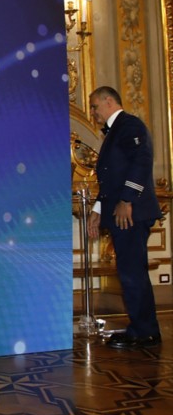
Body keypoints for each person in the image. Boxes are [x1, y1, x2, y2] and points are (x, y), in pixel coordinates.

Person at [86, 86, 162, 349]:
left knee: (132, 273)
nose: (92, 112)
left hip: (131, 213)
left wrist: (127, 200)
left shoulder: (129, 125)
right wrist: (97, 209)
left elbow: (142, 161)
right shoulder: (116, 130)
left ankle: (144, 332)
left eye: (94, 106)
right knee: (130, 271)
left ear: (109, 101)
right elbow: (111, 177)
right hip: (123, 212)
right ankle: (142, 328)